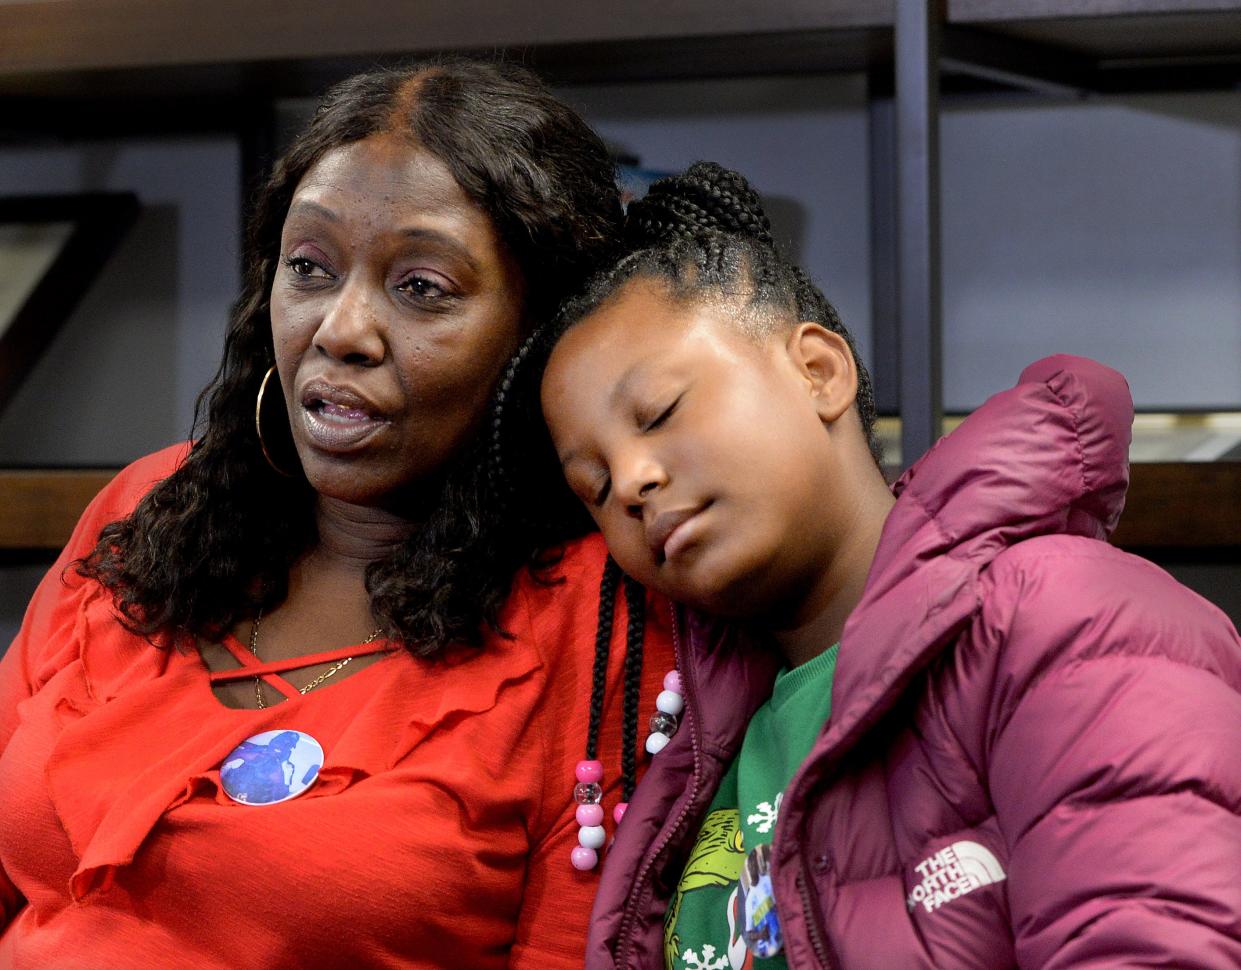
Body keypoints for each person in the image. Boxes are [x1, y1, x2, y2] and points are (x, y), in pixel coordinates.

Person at [0, 60, 676, 969]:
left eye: (422, 287)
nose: (340, 328)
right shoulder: (147, 510)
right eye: (309, 267)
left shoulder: (604, 617)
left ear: (541, 331)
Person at [518, 161, 1241, 968]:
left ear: (817, 372)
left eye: (658, 414)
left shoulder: (1066, 619)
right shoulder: (688, 758)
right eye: (593, 484)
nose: (632, 481)